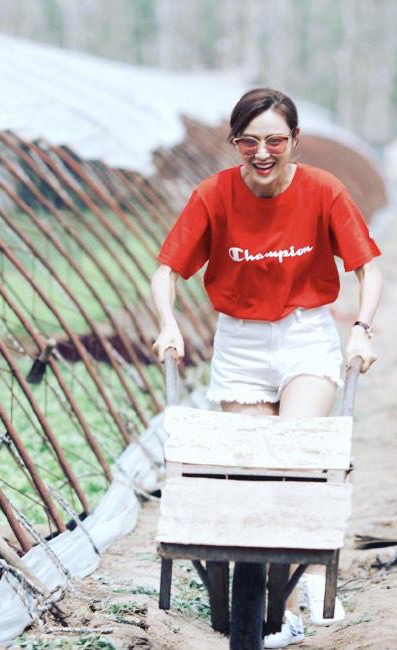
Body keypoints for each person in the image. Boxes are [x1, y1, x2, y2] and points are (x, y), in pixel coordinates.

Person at [151, 87, 383, 648]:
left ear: (293, 141)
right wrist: (168, 322)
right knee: (253, 472)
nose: (262, 152)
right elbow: (166, 270)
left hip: (305, 335)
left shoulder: (323, 191)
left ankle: (304, 588)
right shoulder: (213, 195)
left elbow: (367, 267)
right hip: (241, 343)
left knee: (298, 458)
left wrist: (362, 329)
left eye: (275, 140)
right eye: (249, 141)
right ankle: (257, 595)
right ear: (235, 143)